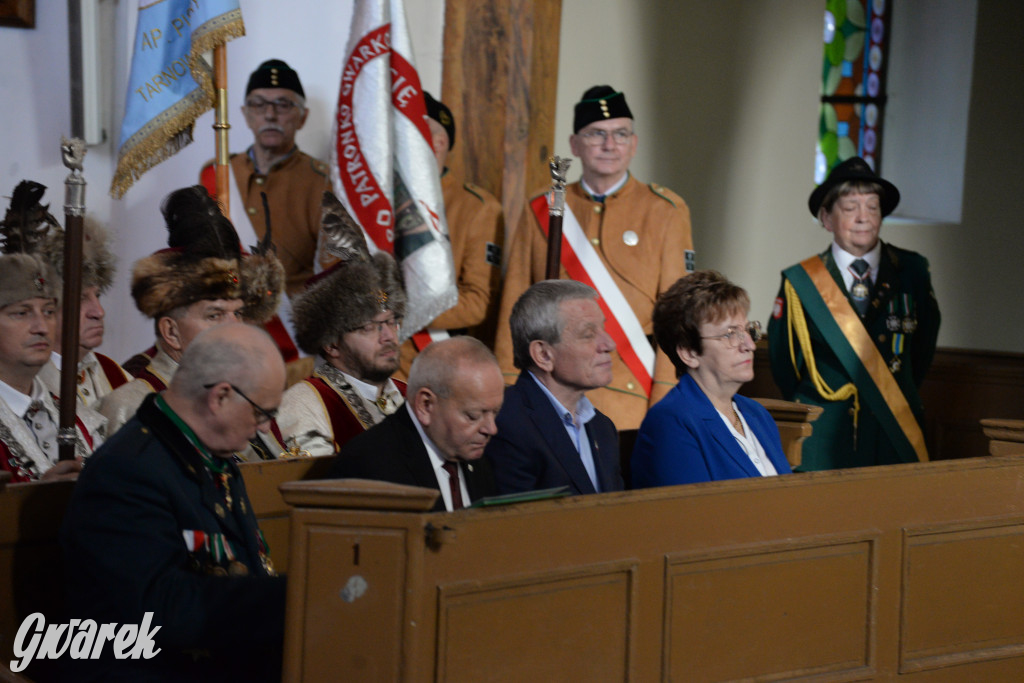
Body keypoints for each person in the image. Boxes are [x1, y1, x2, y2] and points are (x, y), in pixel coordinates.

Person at [61, 323, 287, 682]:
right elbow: (156, 610)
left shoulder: (210, 456)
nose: (263, 429)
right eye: (262, 413)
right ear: (221, 397)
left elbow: (247, 570)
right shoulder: (128, 471)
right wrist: (290, 597)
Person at [495, 85, 695, 431]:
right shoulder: (544, 208)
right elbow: (516, 300)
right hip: (553, 388)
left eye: (620, 134)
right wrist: (508, 384)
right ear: (574, 145)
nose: (609, 145)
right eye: (596, 134)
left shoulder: (665, 210)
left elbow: (677, 312)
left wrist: (665, 395)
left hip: (632, 393)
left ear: (633, 144)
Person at [767, 157, 940, 470]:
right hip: (824, 431)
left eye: (872, 207)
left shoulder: (912, 271)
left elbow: (923, 349)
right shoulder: (800, 282)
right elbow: (785, 364)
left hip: (893, 429)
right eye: (850, 208)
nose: (864, 217)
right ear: (826, 218)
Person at [101, 187, 285, 455]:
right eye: (214, 315)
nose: (235, 329)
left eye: (240, 313)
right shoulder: (129, 407)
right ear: (171, 332)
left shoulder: (247, 397)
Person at [632, 271, 791, 487]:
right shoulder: (670, 422)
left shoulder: (757, 414)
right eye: (730, 334)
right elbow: (694, 516)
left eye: (748, 330)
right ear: (689, 353)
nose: (749, 345)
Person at [0, 181, 105, 483]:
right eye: (21, 313)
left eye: (48, 311)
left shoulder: (78, 420)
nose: (40, 326)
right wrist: (38, 501)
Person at [200, 58, 333, 296]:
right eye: (258, 105)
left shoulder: (323, 181)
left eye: (283, 105)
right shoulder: (217, 173)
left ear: (302, 117)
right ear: (246, 114)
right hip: (227, 319)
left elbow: (336, 270)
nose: (270, 115)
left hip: (291, 325)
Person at [396, 92, 504, 378]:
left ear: (438, 142)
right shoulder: (376, 199)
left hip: (433, 364)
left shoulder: (477, 208)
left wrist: (394, 311)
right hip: (368, 361)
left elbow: (477, 303)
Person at [331, 337, 501, 512]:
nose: (491, 429)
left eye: (495, 412)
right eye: (473, 416)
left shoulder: (477, 458)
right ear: (425, 405)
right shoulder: (368, 467)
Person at [484, 280, 621, 495]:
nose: (609, 344)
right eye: (588, 334)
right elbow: (515, 524)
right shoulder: (506, 424)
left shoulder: (603, 428)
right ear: (543, 355)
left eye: (603, 329)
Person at [276, 232, 408, 456]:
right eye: (369, 327)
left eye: (390, 322)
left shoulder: (409, 394)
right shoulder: (304, 403)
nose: (387, 336)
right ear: (331, 344)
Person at [38, 217, 131, 408]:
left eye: (97, 295)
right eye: (82, 298)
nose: (99, 312)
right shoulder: (24, 382)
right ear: (45, 309)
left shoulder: (115, 374)